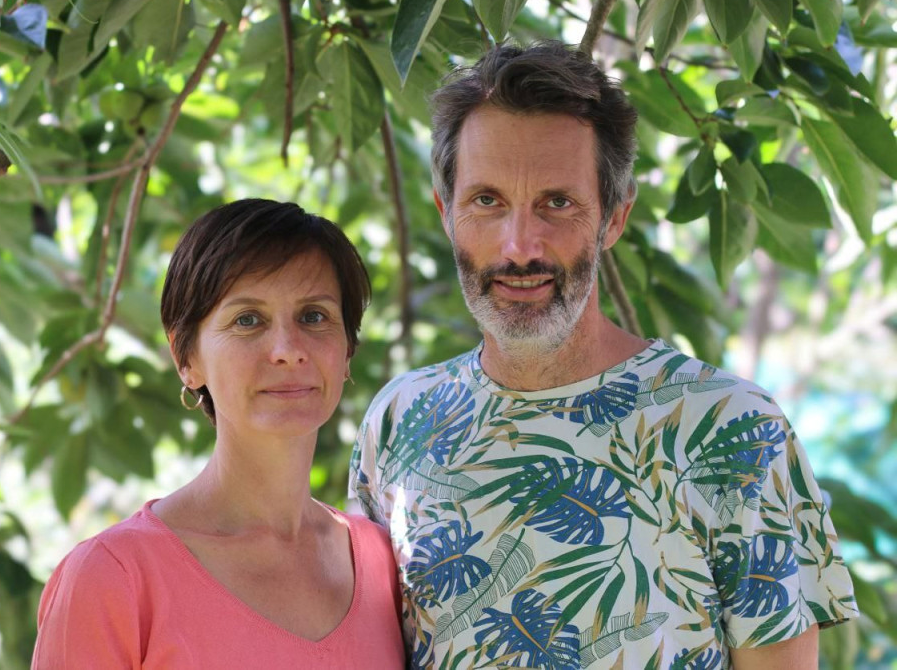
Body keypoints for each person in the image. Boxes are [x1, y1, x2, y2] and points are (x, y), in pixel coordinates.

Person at [350, 42, 859, 670]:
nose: (519, 246)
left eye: (557, 203)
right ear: (447, 212)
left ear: (614, 218)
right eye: (487, 201)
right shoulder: (399, 421)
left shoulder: (730, 428)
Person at [34, 199, 404, 669]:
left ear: (347, 349)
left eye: (314, 316)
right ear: (186, 358)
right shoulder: (112, 576)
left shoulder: (384, 562)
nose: (288, 349)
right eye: (248, 319)